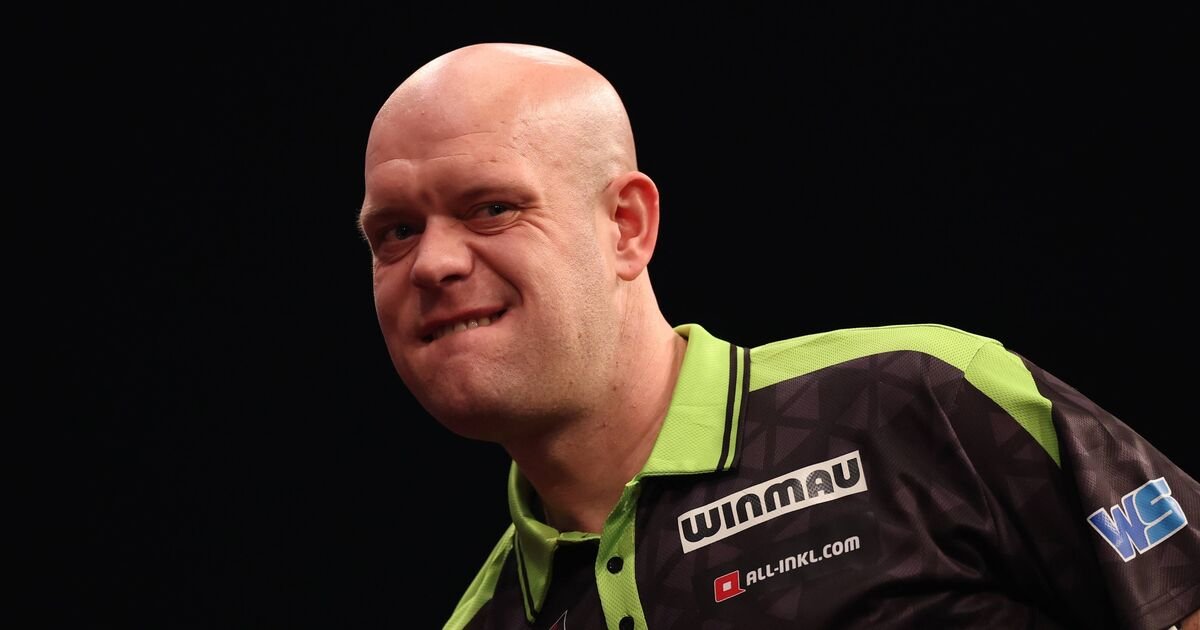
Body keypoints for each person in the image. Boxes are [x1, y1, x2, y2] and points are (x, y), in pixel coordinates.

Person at [356, 42, 1199, 630]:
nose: (432, 263)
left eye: (491, 208)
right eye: (394, 231)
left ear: (626, 227)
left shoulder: (920, 401)